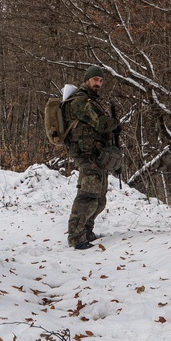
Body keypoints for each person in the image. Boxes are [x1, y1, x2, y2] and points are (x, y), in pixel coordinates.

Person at [63, 65, 121, 250]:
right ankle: (76, 237)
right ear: (87, 79)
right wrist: (115, 124)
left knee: (100, 199)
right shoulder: (80, 101)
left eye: (101, 80)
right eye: (95, 79)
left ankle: (87, 230)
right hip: (86, 155)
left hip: (98, 155)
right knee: (87, 196)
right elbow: (101, 123)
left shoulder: (92, 100)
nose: (98, 83)